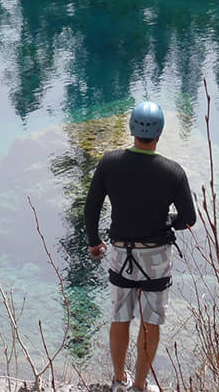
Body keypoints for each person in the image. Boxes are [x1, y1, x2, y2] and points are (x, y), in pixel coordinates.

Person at [84, 100, 197, 392]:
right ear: (159, 132)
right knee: (151, 321)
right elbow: (189, 220)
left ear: (132, 128)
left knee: (120, 315)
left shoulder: (109, 163)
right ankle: (139, 385)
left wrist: (94, 242)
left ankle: (118, 381)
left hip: (121, 252)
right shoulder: (173, 172)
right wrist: (168, 219)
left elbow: (92, 206)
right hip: (156, 256)